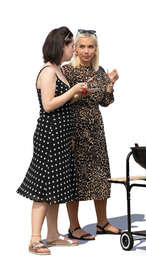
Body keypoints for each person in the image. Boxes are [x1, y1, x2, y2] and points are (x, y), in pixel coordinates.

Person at [17, 26, 88, 255]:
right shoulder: (48, 72)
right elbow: (48, 105)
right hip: (50, 135)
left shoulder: (59, 71)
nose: (73, 50)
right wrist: (73, 91)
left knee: (56, 185)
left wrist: (75, 94)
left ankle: (53, 235)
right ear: (61, 46)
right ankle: (35, 239)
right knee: (42, 186)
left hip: (62, 134)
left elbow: (61, 101)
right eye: (71, 46)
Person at [63, 29, 121, 240]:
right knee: (74, 177)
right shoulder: (67, 71)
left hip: (95, 128)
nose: (87, 51)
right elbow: (61, 101)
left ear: (96, 49)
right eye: (82, 46)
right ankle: (74, 226)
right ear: (75, 48)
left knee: (100, 174)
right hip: (74, 128)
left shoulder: (99, 71)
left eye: (91, 47)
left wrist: (110, 83)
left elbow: (105, 102)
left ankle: (102, 222)